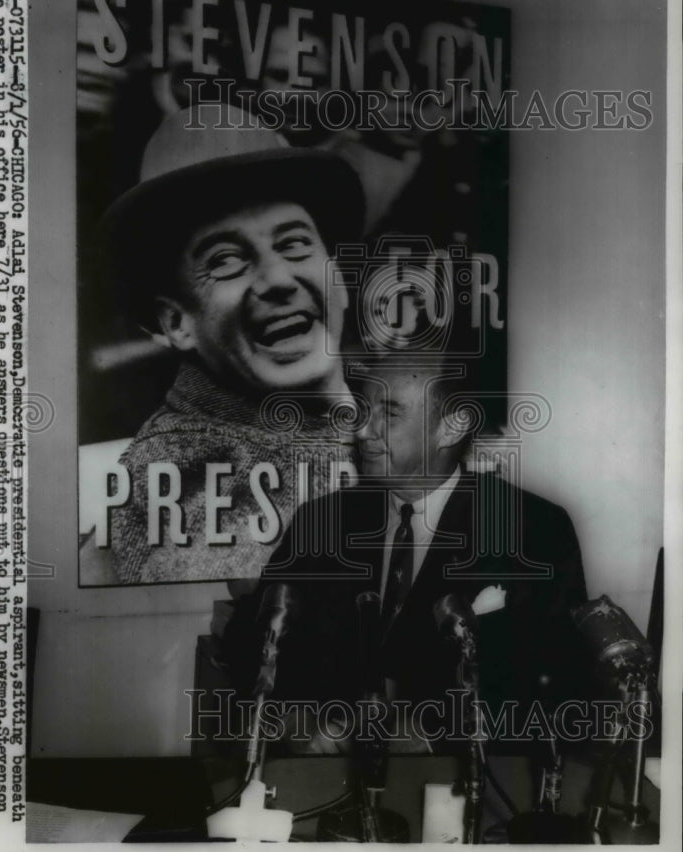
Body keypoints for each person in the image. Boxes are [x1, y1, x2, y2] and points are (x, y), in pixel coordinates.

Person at [224, 354, 590, 753]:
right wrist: (292, 720)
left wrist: (430, 734)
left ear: (451, 427)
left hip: (459, 785)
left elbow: (560, 678)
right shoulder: (322, 521)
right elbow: (250, 641)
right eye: (363, 410)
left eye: (389, 412)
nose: (362, 429)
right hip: (323, 782)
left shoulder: (532, 529)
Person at [101, 104, 366, 584]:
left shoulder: (384, 418)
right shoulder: (198, 476)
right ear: (177, 322)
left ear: (339, 279)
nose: (278, 279)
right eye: (225, 260)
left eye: (294, 244)